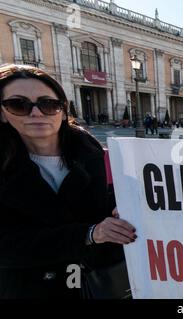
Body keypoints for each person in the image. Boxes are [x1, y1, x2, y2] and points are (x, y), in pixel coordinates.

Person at [0, 64, 137, 299]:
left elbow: (105, 206)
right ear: (2, 113)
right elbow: (7, 246)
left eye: (48, 104)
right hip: (30, 288)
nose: (36, 113)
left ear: (63, 110)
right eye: (18, 105)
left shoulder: (93, 153)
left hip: (97, 282)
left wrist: (123, 210)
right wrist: (90, 234)